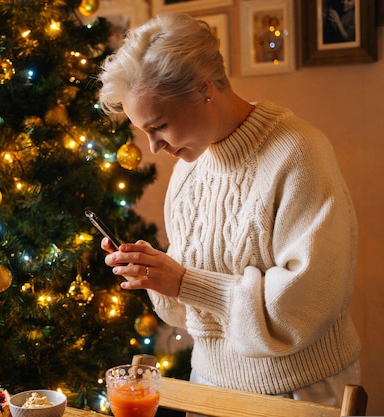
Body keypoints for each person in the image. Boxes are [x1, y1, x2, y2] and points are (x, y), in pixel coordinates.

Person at [96, 12, 361, 409]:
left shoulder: (300, 154)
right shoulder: (188, 170)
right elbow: (190, 311)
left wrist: (186, 282)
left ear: (204, 89)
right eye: (144, 132)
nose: (154, 148)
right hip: (208, 385)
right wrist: (158, 274)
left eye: (160, 126)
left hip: (298, 392)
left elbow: (298, 310)